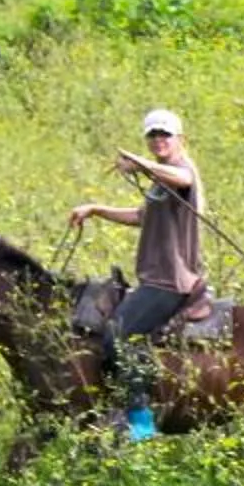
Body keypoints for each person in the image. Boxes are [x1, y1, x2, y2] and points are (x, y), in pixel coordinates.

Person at [68, 108, 204, 443]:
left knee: (117, 333)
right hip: (153, 278)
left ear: (180, 139)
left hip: (171, 281)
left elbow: (184, 181)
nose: (159, 140)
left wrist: (140, 164)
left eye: (165, 134)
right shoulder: (160, 180)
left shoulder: (182, 170)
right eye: (153, 135)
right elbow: (141, 216)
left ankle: (141, 419)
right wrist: (97, 209)